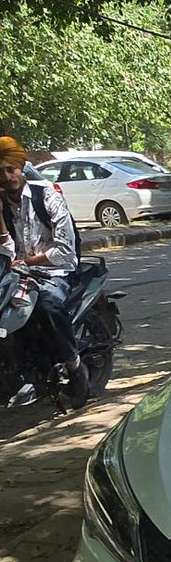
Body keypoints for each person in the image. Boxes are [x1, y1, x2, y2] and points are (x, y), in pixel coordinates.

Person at [0, 135, 87, 401]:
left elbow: (64, 251)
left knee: (47, 305)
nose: (6, 177)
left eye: (10, 169)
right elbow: (6, 251)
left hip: (54, 271)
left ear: (21, 166)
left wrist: (27, 262)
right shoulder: (2, 204)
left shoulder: (47, 196)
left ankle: (75, 366)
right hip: (17, 272)